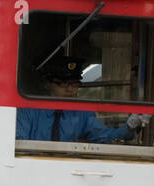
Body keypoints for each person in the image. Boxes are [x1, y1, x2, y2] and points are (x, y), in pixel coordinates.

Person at [15, 59, 146, 143]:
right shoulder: (28, 109)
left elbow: (106, 137)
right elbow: (19, 143)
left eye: (74, 84)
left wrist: (130, 126)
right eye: (62, 84)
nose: (70, 89)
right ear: (48, 84)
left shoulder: (82, 113)